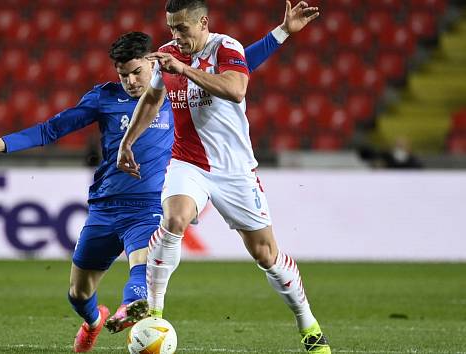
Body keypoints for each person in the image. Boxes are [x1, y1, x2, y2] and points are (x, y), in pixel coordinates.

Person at [0, 23, 290, 352]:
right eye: (123, 75)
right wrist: (0, 144)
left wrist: (282, 33)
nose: (131, 82)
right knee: (78, 293)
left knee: (143, 268)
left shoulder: (175, 88)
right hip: (105, 206)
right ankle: (93, 321)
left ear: (152, 61)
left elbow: (240, 65)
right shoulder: (104, 98)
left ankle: (133, 308)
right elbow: (52, 129)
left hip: (151, 206)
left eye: (135, 72)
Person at [117, 1, 330, 353]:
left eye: (182, 28)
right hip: (189, 162)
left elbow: (236, 89)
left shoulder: (225, 47)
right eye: (171, 28)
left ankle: (308, 324)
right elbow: (154, 98)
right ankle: (153, 315)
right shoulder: (169, 54)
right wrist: (128, 142)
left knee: (266, 255)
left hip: (235, 171)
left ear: (203, 23)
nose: (175, 36)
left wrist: (183, 70)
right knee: (174, 218)